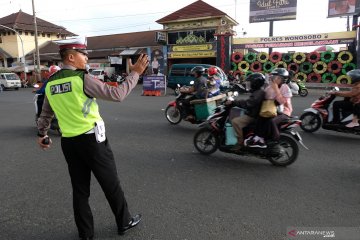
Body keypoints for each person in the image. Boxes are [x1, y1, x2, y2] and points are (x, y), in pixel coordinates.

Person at [36, 36, 149, 240]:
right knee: (110, 183)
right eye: (83, 54)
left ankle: (85, 234)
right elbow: (117, 94)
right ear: (71, 57)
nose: (87, 58)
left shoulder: (51, 82)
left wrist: (42, 134)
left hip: (69, 143)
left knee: (80, 190)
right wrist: (135, 74)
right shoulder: (82, 78)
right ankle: (124, 222)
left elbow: (45, 114)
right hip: (92, 141)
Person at [246, 68, 293, 147]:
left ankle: (276, 139)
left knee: (271, 121)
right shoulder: (270, 87)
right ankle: (258, 138)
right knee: (259, 118)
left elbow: (283, 102)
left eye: (277, 77)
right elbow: (265, 97)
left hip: (284, 112)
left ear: (282, 79)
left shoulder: (285, 88)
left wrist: (276, 89)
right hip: (271, 110)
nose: (274, 79)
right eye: (274, 77)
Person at [227, 73, 266, 150]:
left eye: (250, 82)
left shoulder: (258, 93)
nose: (249, 84)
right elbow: (249, 101)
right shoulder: (258, 91)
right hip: (254, 112)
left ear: (255, 83)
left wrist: (234, 102)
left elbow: (248, 103)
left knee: (235, 122)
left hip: (253, 115)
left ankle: (240, 143)